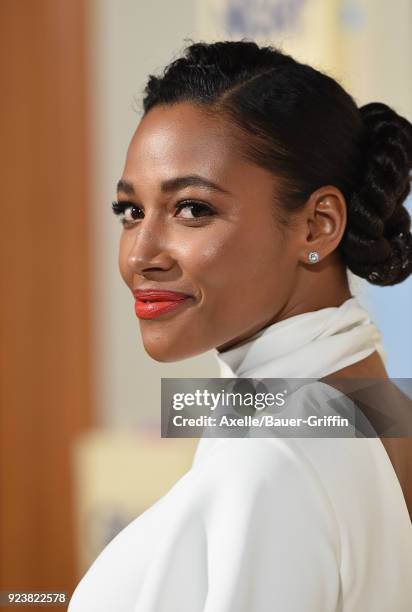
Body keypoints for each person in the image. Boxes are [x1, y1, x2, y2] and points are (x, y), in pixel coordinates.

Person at [68, 40, 412, 611]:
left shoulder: (272, 456)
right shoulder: (371, 397)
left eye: (192, 209)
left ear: (317, 226)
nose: (140, 255)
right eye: (131, 211)